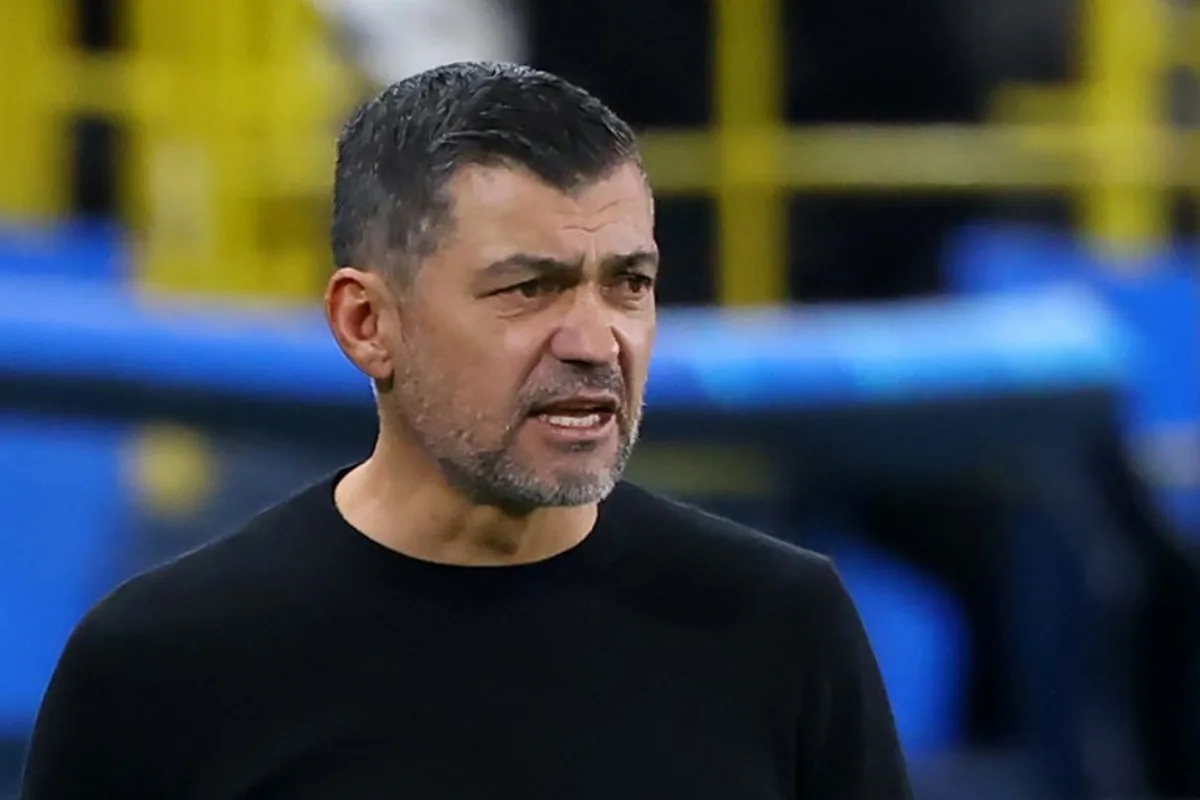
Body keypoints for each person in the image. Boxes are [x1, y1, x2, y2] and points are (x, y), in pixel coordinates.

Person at [20, 62, 912, 799]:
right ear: (367, 323)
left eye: (628, 284)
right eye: (529, 288)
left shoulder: (780, 629)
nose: (595, 341)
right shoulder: (159, 667)